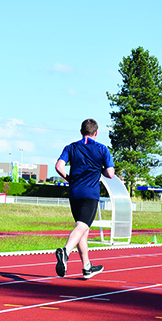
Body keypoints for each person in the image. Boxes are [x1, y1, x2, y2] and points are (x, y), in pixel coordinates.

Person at [54, 118, 115, 279]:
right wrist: (100, 169)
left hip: (74, 193)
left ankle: (87, 267)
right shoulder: (102, 149)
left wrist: (68, 178)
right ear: (96, 132)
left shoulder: (71, 147)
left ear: (81, 131)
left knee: (82, 229)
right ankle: (65, 252)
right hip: (90, 194)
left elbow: (59, 167)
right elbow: (110, 174)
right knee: (82, 226)